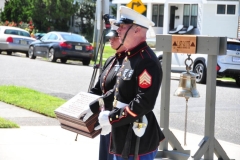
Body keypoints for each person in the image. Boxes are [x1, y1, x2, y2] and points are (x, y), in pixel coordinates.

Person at [89, 6, 165, 160]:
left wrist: (111, 118)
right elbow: (119, 92)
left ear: (137, 30)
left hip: (137, 140)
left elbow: (143, 102)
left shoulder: (147, 61)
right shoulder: (129, 58)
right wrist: (96, 104)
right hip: (123, 137)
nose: (118, 31)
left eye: (123, 27)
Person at [80, 19, 126, 160]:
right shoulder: (111, 60)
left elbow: (117, 93)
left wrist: (96, 104)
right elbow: (98, 88)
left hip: (117, 119)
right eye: (110, 36)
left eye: (115, 37)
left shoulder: (128, 62)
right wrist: (82, 101)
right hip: (104, 119)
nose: (110, 39)